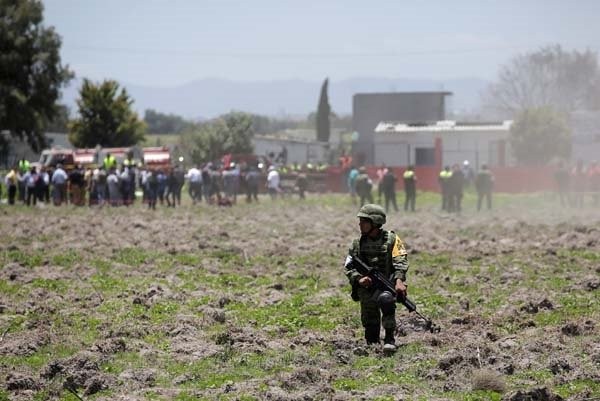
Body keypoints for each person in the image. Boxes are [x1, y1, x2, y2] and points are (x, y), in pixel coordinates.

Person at [344, 204, 409, 353]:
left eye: (364, 221)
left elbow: (401, 260)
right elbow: (348, 266)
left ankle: (389, 339)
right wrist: (359, 278)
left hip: (386, 285)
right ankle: (372, 344)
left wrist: (399, 280)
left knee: (387, 301)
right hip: (366, 289)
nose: (360, 224)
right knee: (370, 319)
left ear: (375, 222)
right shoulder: (357, 244)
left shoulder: (392, 239)